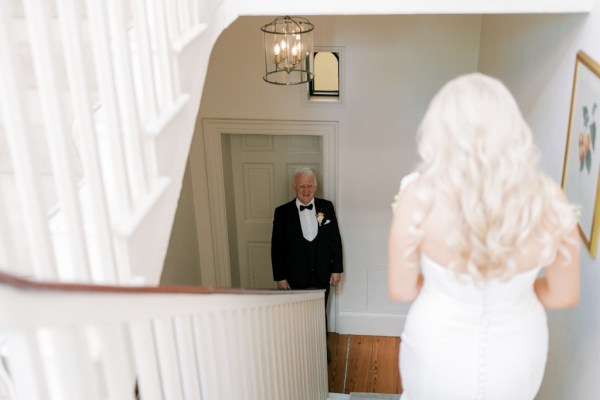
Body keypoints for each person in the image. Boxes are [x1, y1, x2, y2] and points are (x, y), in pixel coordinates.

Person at [388, 73, 580, 400]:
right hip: (518, 349)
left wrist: (445, 289)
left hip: (438, 345)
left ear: (440, 131)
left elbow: (402, 290)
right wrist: (513, 292)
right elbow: (564, 295)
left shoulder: (419, 197)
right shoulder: (550, 199)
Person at [271, 167, 343, 328]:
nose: (306, 190)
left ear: (315, 187)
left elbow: (334, 239)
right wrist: (280, 277)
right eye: (302, 186)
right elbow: (277, 247)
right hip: (293, 275)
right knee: (295, 316)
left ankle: (320, 351)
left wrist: (336, 269)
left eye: (309, 186)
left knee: (319, 314)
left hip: (322, 272)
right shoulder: (282, 212)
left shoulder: (326, 207)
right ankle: (298, 351)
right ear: (294, 187)